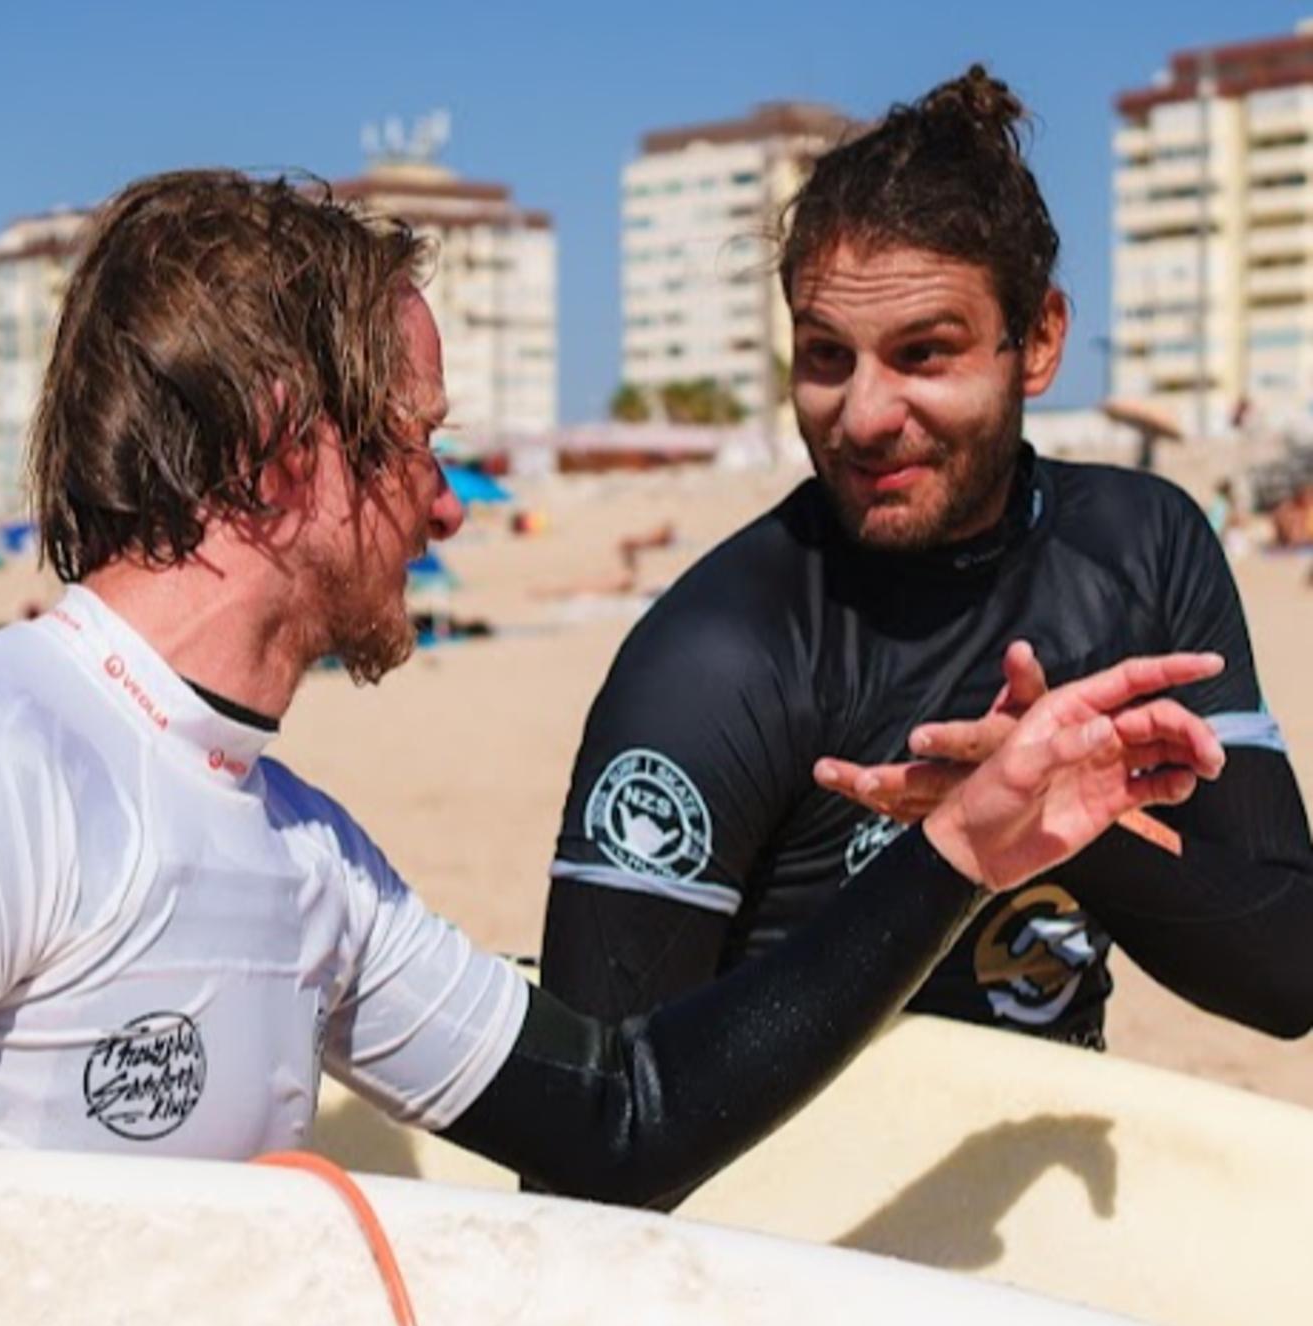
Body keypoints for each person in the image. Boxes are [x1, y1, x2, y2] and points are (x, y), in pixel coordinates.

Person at [0, 169, 1223, 1206]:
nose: (444, 505)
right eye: (419, 442)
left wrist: (958, 849)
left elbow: (621, 1119)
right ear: (280, 447)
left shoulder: (310, 858)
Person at [540, 68, 1313, 1064]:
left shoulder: (1143, 547)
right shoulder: (716, 656)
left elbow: (1289, 966)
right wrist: (968, 847)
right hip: (788, 1207)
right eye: (825, 356)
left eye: (922, 354)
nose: (862, 414)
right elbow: (594, 1117)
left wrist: (1064, 822)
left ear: (1035, 341)